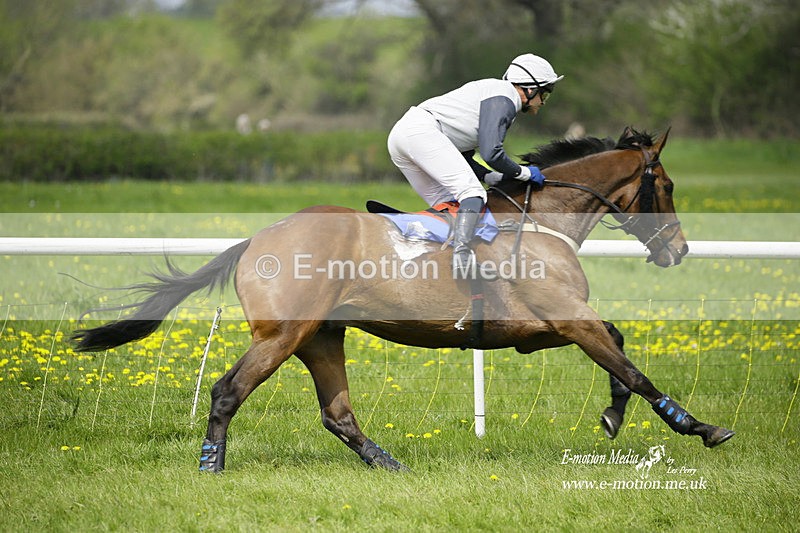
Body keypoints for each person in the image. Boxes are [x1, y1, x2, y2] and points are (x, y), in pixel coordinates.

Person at [387, 53, 563, 275]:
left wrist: (490, 176)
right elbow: (492, 154)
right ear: (530, 89)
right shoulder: (505, 99)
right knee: (473, 193)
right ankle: (461, 258)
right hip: (421, 132)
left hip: (402, 136)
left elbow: (464, 157)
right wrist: (524, 173)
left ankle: (427, 254)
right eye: (544, 93)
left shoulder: (496, 94)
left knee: (451, 205)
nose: (543, 101)